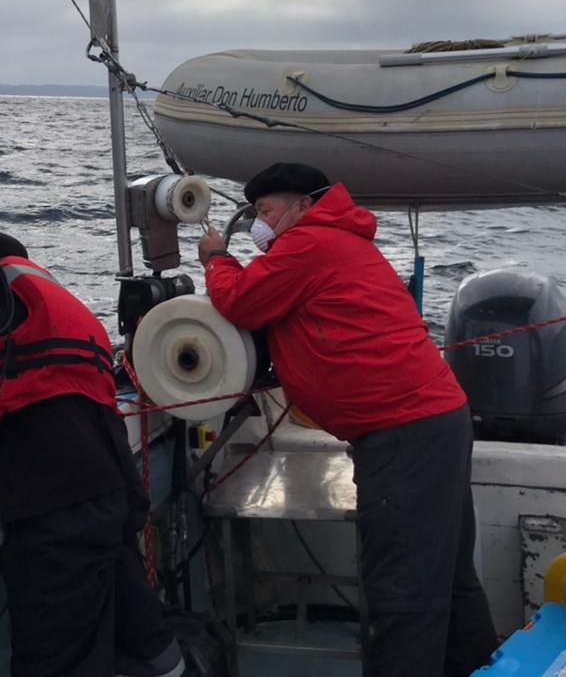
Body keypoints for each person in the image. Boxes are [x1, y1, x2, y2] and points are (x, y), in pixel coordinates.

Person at [196, 162, 498, 677]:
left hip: (404, 433)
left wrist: (217, 258)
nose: (258, 226)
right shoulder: (337, 241)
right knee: (446, 577)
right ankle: (485, 669)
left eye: (265, 212)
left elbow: (242, 302)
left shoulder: (309, 243)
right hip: (433, 423)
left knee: (401, 592)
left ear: (303, 206)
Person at [0, 230, 184, 677]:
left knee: (51, 659)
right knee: (142, 634)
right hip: (114, 495)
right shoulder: (50, 309)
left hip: (58, 510)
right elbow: (17, 397)